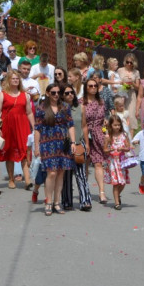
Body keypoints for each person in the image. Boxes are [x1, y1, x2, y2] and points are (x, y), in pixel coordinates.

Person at [33, 83, 76, 215]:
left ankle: (57, 202)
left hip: (63, 143)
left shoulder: (65, 107)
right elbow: (37, 129)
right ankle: (48, 201)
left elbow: (70, 125)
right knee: (51, 173)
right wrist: (36, 146)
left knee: (60, 173)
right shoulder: (41, 109)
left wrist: (73, 142)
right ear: (47, 93)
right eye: (53, 92)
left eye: (58, 92)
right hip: (47, 144)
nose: (56, 95)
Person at [0, 70, 34, 189]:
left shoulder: (25, 95)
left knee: (24, 151)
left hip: (22, 125)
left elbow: (29, 112)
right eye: (13, 78)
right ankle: (11, 179)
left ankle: (27, 180)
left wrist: (34, 126)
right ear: (8, 80)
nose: (15, 80)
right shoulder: (2, 94)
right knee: (10, 151)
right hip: (8, 126)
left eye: (17, 78)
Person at [59, 84, 92, 212]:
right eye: (66, 93)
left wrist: (87, 143)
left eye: (71, 92)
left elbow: (84, 126)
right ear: (62, 95)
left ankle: (85, 201)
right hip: (65, 145)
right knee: (66, 175)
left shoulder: (80, 108)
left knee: (81, 174)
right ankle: (67, 201)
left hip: (79, 143)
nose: (70, 95)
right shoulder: (60, 109)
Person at [82, 76, 109, 205]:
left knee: (98, 163)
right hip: (85, 134)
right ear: (86, 88)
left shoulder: (101, 102)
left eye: (95, 86)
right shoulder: (81, 102)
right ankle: (85, 190)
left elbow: (104, 118)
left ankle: (102, 192)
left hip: (98, 134)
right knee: (85, 163)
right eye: (90, 86)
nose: (93, 88)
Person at [103, 114, 132, 210]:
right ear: (110, 125)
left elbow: (128, 148)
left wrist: (123, 148)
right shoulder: (108, 136)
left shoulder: (124, 135)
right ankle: (116, 203)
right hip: (113, 162)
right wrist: (110, 150)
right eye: (115, 125)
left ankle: (117, 195)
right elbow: (105, 149)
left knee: (122, 183)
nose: (117, 127)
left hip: (122, 162)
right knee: (115, 183)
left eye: (119, 125)